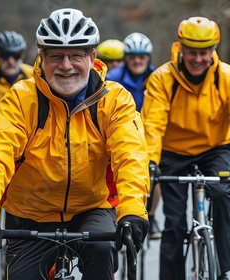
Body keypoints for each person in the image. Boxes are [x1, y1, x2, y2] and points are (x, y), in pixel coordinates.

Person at [0, 8, 149, 280]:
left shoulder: (115, 101)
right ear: (41, 58)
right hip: (31, 212)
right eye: (56, 56)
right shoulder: (20, 99)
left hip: (92, 207)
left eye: (76, 55)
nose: (66, 65)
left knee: (101, 251)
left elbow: (130, 156)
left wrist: (133, 210)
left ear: (92, 57)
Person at [141, 16, 230, 280]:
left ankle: (222, 270)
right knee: (175, 222)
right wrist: (151, 162)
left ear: (213, 51)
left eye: (203, 53)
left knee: (222, 195)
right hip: (173, 152)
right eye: (191, 52)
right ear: (180, 48)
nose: (197, 59)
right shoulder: (162, 79)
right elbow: (152, 125)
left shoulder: (229, 77)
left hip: (215, 148)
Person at [105, 32, 162, 240]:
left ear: (148, 58)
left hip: (149, 133)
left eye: (142, 57)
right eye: (133, 56)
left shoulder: (158, 78)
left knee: (154, 172)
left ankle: (153, 215)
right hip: (120, 132)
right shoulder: (112, 78)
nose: (138, 61)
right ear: (126, 58)